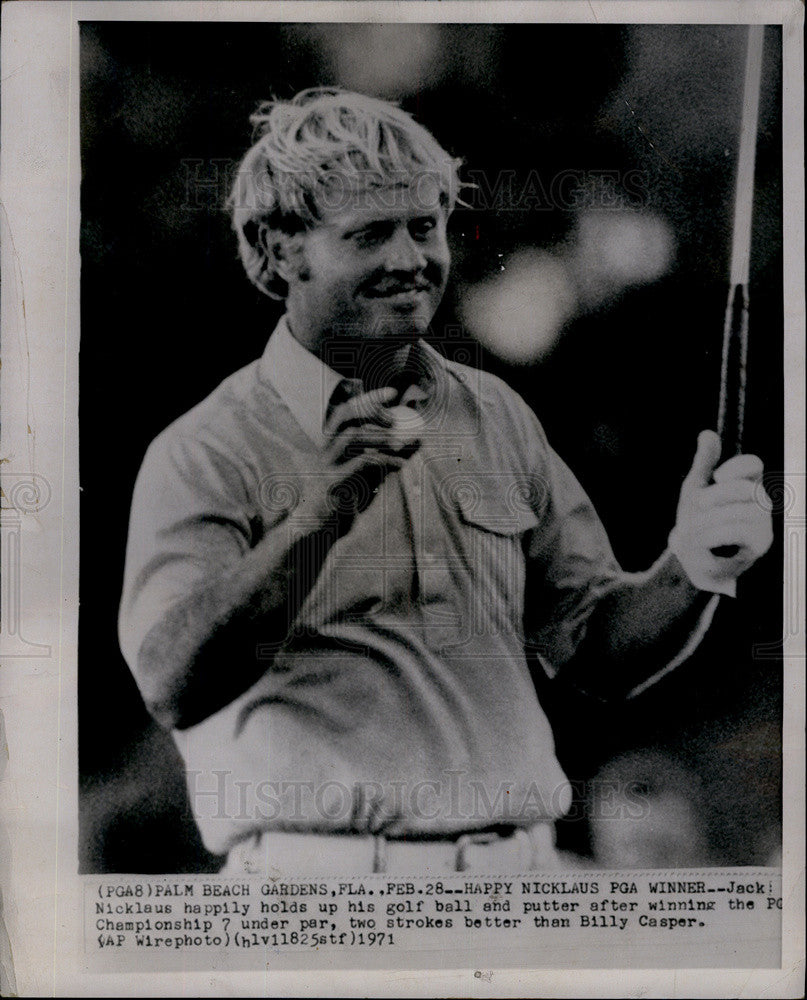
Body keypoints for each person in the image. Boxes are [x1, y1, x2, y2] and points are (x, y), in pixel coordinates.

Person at [118, 88, 772, 875]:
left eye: (423, 227)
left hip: (517, 883)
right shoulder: (204, 451)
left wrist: (694, 564)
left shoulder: (497, 414)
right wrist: (315, 522)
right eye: (368, 234)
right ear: (280, 248)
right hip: (315, 894)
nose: (409, 259)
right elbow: (170, 683)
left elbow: (593, 648)